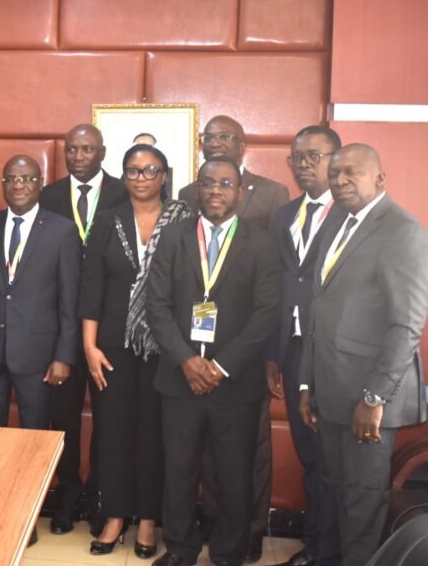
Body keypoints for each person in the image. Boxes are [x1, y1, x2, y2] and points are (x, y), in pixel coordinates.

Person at [147, 157, 280, 566]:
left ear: (239, 192)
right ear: (196, 190)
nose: (215, 191)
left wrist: (220, 367)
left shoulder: (262, 242)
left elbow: (266, 313)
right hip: (179, 379)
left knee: (234, 473)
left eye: (225, 184)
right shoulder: (173, 237)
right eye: (208, 183)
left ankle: (228, 553)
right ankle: (180, 548)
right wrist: (186, 360)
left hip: (235, 383)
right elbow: (157, 305)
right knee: (178, 470)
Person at [299, 144, 428, 566]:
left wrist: (375, 398)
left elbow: (407, 325)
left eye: (351, 173)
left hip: (369, 401)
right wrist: (307, 383)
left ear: (380, 178)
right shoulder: (338, 221)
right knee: (341, 498)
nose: (340, 181)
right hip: (331, 392)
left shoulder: (403, 232)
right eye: (335, 173)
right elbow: (317, 308)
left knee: (362, 507)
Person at [178, 114, 289, 561]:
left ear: (243, 145)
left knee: (249, 449)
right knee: (204, 446)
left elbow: (276, 279)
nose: (216, 142)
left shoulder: (272, 193)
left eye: (226, 136)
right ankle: (216, 522)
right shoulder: (188, 193)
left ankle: (250, 529)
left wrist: (266, 353)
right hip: (195, 347)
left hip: (247, 349)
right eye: (210, 136)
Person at [0, 155, 81, 546]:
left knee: (32, 442)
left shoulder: (62, 231)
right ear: (2, 184)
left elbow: (69, 301)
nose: (18, 185)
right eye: (11, 179)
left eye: (27, 179)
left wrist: (63, 355)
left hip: (39, 357)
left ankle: (26, 519)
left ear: (39, 184)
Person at [80, 144, 191, 558]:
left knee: (154, 434)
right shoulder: (107, 220)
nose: (141, 178)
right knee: (113, 431)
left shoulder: (183, 221)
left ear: (165, 175)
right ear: (123, 175)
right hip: (112, 346)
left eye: (150, 170)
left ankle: (147, 519)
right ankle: (115, 515)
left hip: (165, 345)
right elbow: (92, 285)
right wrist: (89, 346)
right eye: (133, 170)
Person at [39, 123, 128, 534]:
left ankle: (101, 497)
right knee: (64, 417)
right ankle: (68, 494)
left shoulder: (124, 193)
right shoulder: (48, 195)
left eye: (87, 149)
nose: (78, 156)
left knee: (109, 419)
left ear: (103, 153)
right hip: (60, 326)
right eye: (72, 149)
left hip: (109, 328)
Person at [264, 127, 345, 566]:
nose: (305, 164)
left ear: (337, 159)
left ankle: (328, 552)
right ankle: (316, 548)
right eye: (298, 157)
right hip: (293, 352)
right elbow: (278, 285)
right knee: (311, 457)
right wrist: (271, 354)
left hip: (333, 356)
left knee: (332, 460)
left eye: (315, 155)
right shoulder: (285, 215)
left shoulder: (352, 215)